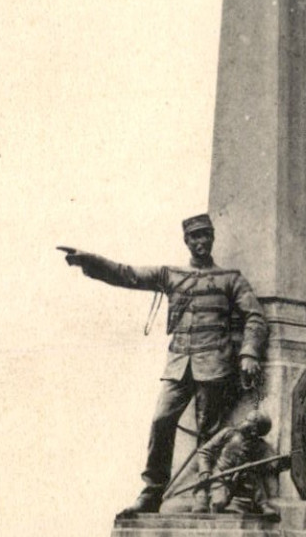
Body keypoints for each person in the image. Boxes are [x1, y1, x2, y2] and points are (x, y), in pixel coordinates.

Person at [62, 214, 267, 513]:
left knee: (208, 432)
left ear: (212, 239)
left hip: (215, 365)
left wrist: (249, 353)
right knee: (161, 421)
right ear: (186, 241)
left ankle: (205, 494)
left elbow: (255, 316)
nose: (200, 242)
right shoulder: (170, 275)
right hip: (179, 364)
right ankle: (153, 490)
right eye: (194, 237)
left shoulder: (230, 279)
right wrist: (89, 262)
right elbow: (127, 274)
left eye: (205, 236)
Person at [194, 409, 277, 515]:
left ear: (254, 430)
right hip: (221, 476)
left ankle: (259, 505)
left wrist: (283, 462)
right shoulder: (228, 433)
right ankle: (202, 498)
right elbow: (204, 452)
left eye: (248, 421)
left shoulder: (261, 446)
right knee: (218, 502)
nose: (243, 422)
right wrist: (204, 471)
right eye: (246, 419)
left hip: (242, 480)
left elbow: (273, 463)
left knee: (253, 483)